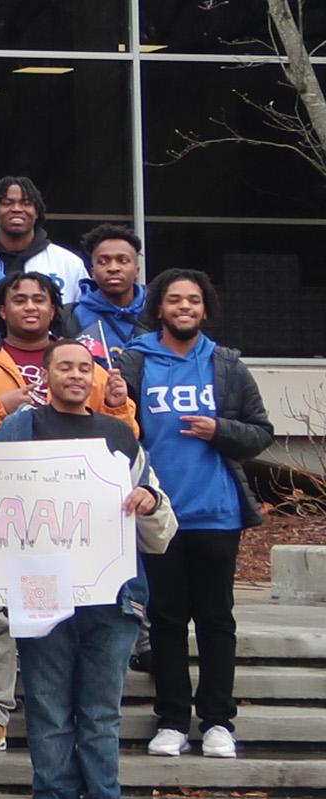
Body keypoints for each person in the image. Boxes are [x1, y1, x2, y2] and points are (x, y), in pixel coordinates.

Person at [0, 337, 162, 799]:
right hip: (41, 591)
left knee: (100, 712)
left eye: (83, 367)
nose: (74, 374)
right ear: (46, 375)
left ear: (93, 376)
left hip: (111, 596)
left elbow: (161, 527)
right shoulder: (18, 431)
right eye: (63, 366)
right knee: (47, 708)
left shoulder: (118, 435)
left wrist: (149, 500)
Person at [121, 269, 274, 761]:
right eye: (174, 300)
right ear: (159, 308)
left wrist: (219, 430)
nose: (184, 307)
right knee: (165, 620)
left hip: (216, 513)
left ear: (204, 309)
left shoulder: (226, 364)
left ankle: (217, 722)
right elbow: (114, 426)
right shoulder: (136, 360)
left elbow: (260, 432)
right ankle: (170, 720)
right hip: (158, 515)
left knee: (215, 620)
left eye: (193, 301)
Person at [0, 271, 139, 445]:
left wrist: (117, 407)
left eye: (39, 300)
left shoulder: (83, 366)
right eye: (19, 300)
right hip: (3, 481)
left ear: (51, 311)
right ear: (3, 311)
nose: (30, 307)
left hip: (73, 481)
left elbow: (126, 440)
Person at [0, 176, 90, 308]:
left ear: (37, 212)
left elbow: (85, 316)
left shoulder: (69, 263)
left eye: (26, 203)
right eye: (7, 203)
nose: (17, 209)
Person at [74, 224, 147, 360]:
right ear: (92, 272)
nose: (113, 268)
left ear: (137, 271)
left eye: (122, 260)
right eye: (103, 262)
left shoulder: (156, 310)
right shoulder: (73, 316)